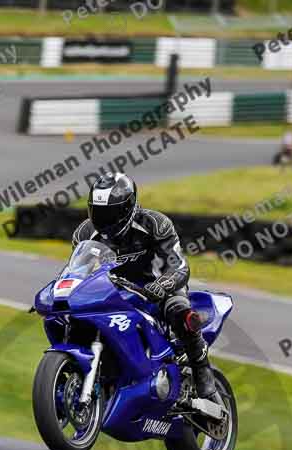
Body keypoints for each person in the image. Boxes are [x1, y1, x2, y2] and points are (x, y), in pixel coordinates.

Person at [72, 171, 216, 399]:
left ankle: (201, 368)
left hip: (157, 287)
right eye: (98, 212)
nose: (104, 220)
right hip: (114, 291)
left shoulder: (155, 224)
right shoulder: (85, 233)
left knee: (178, 308)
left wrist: (161, 286)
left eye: (110, 213)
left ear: (128, 208)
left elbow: (179, 266)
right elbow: (78, 271)